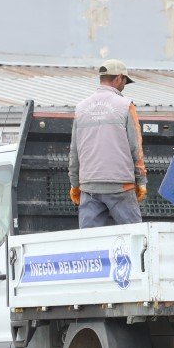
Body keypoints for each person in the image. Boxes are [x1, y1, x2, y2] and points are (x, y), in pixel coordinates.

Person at [68, 59, 148, 228]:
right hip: (121, 186)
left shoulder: (81, 108)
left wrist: (75, 185)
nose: (124, 85)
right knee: (135, 236)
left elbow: (74, 151)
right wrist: (141, 181)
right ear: (118, 78)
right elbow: (136, 147)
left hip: (89, 187)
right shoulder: (126, 106)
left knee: (90, 240)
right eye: (125, 81)